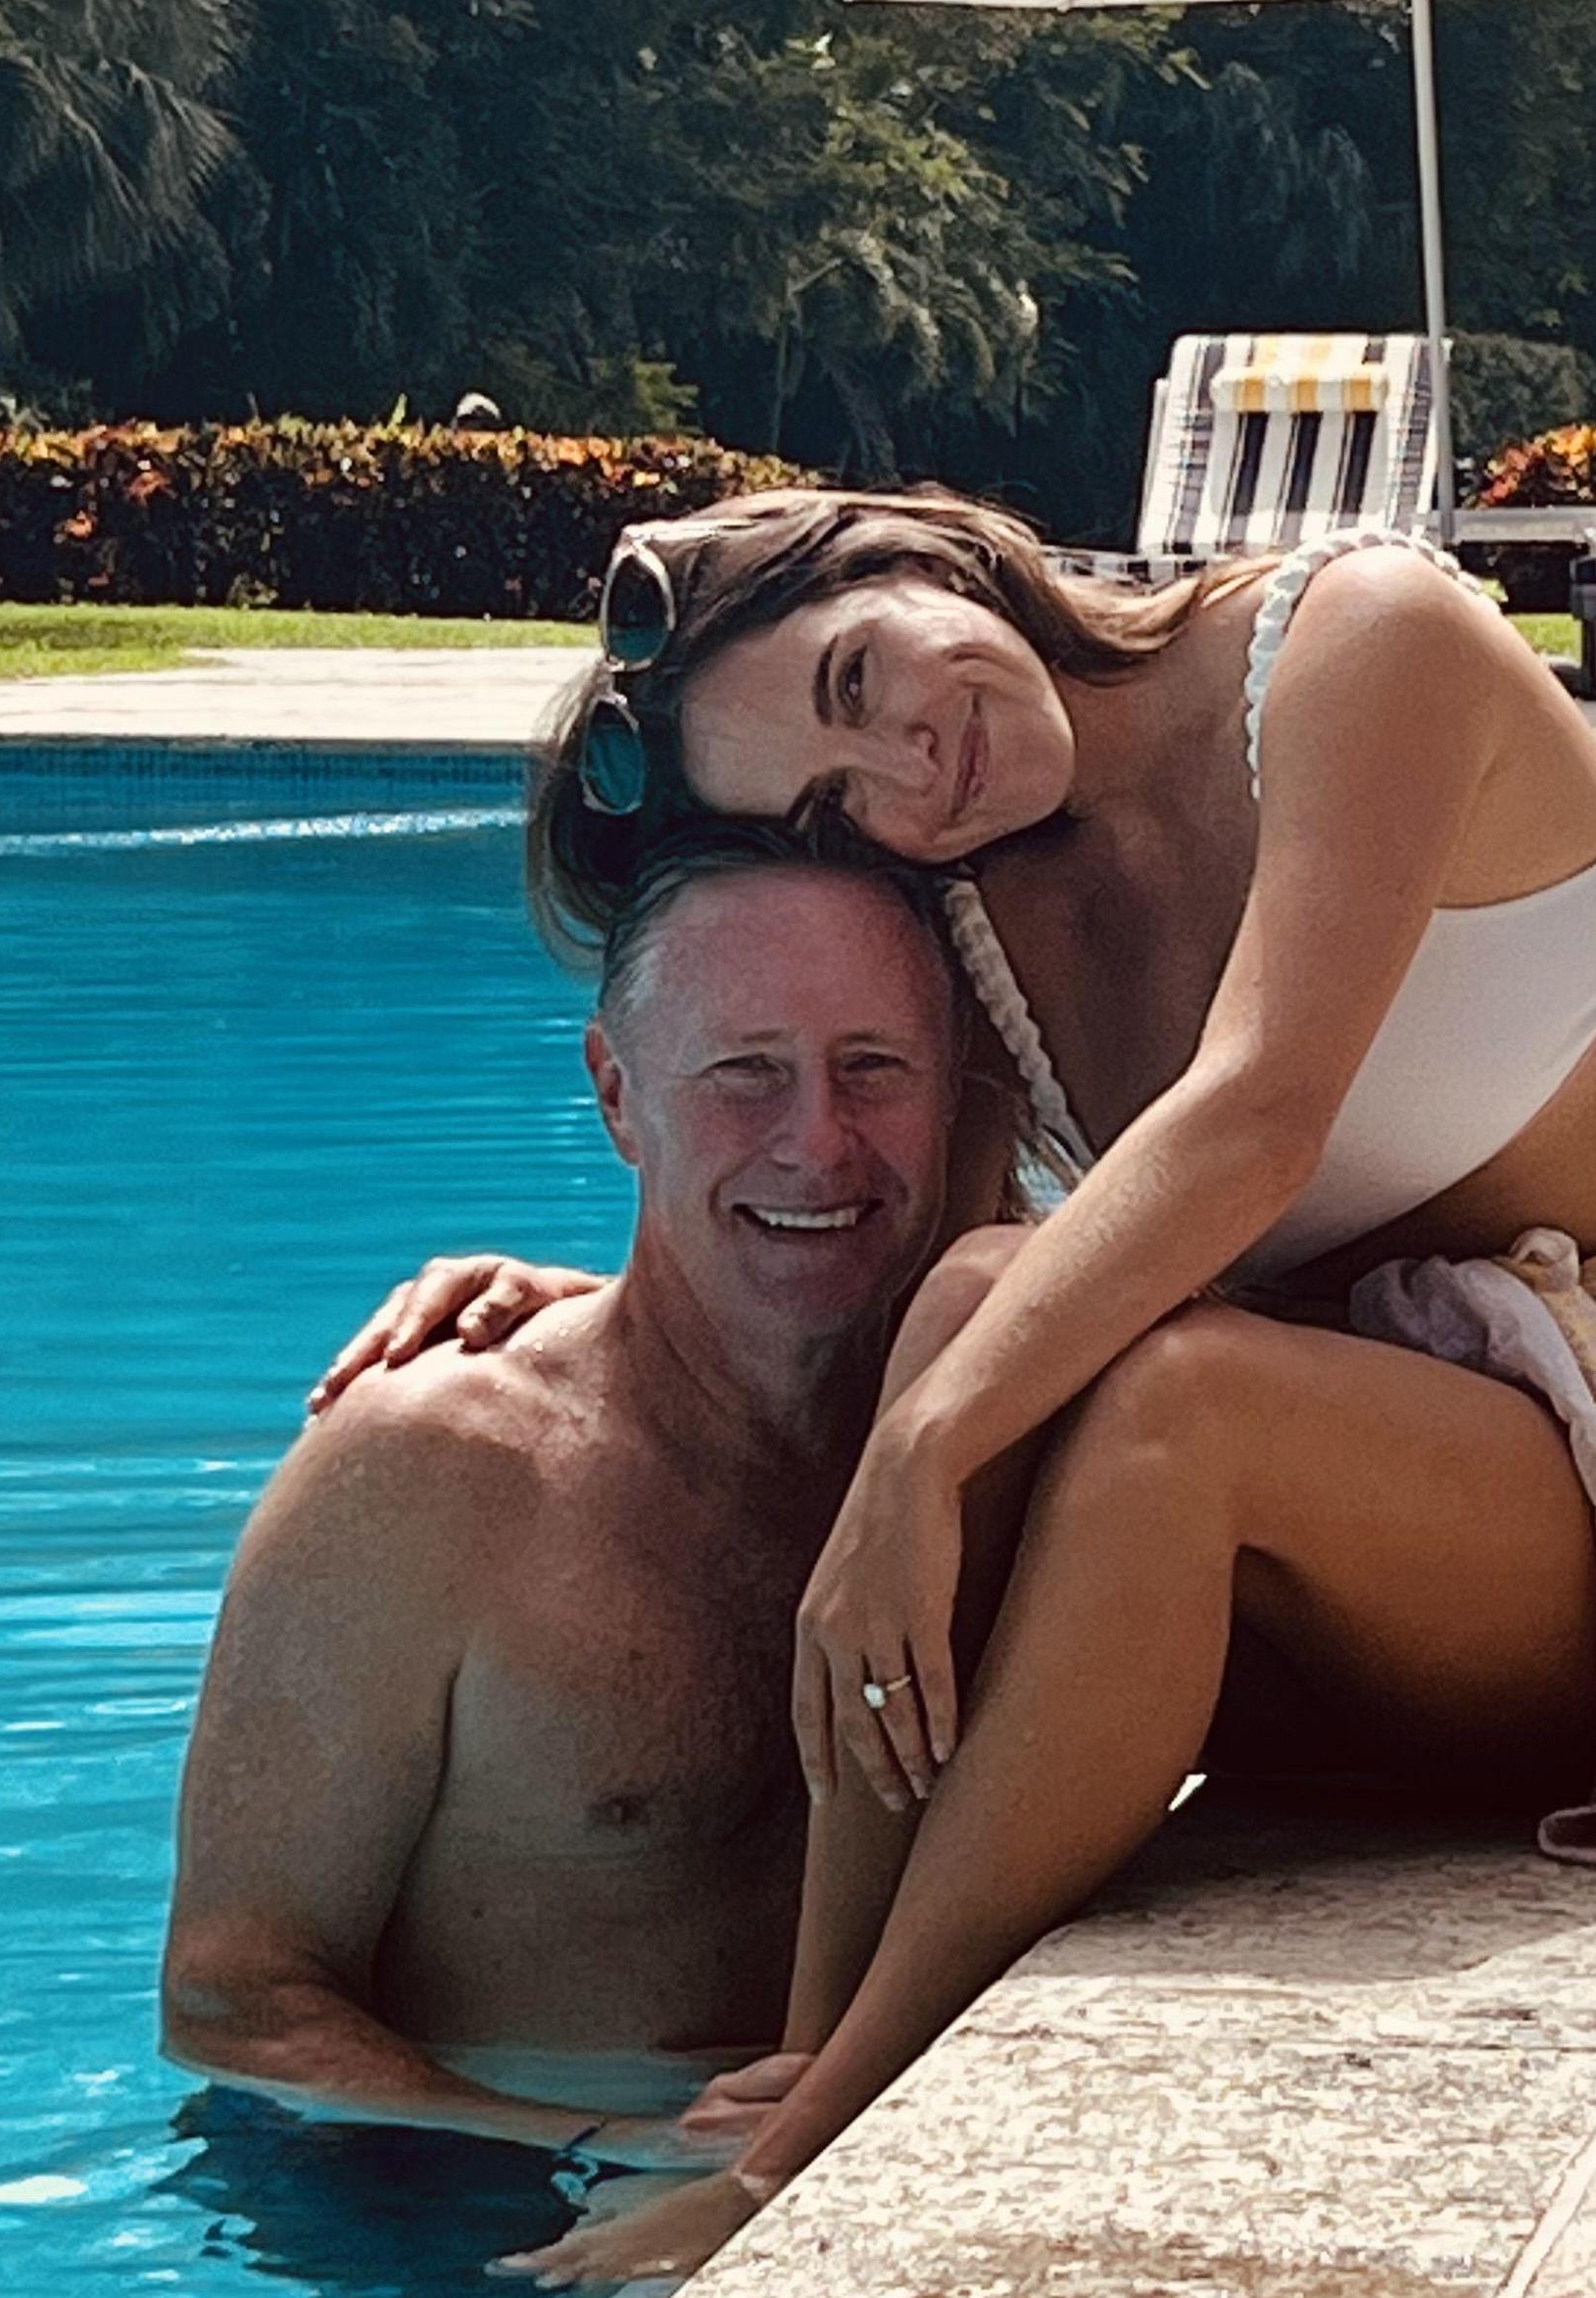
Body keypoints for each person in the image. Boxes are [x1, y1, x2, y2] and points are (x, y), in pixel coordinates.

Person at [459, 487, 1596, 2288]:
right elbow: (914, 1263)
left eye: (859, 678)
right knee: (980, 1300)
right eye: (837, 807)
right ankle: (807, 2038)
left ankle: (812, 2145)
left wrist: (917, 1459)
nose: (909, 769)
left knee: (1176, 1403)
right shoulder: (978, 899)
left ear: (909, 554)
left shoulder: (1365, 642)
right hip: (1350, 1588)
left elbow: (1258, 1118)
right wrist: (605, 1312)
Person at [159, 825, 1007, 2172]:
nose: (818, 1142)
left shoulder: (986, 1430)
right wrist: (618, 2152)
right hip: (457, 2208)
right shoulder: (427, 1472)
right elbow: (233, 2002)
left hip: (818, 2163)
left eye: (873, 1069)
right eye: (745, 1073)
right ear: (618, 1094)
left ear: (952, 1091)